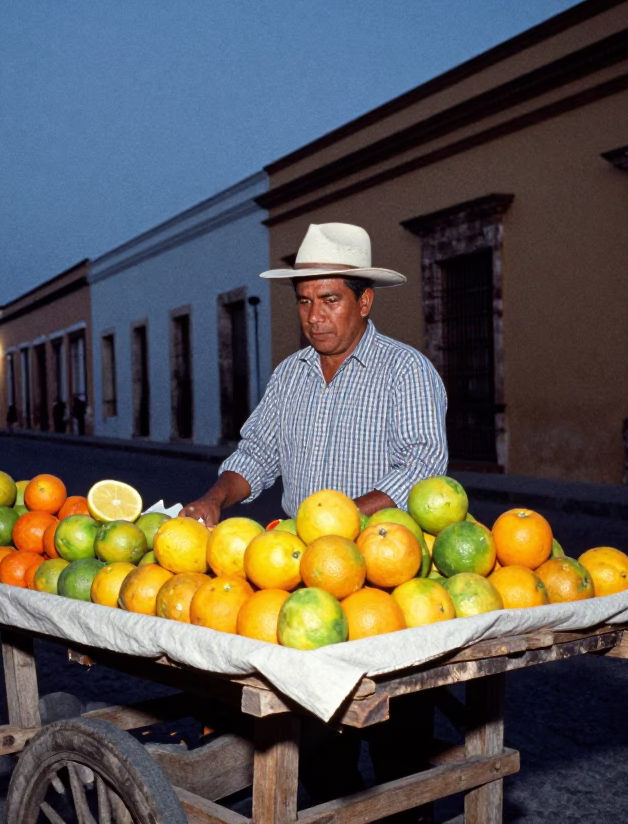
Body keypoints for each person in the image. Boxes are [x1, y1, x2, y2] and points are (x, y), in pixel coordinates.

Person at [181, 222, 448, 804]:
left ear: (364, 300)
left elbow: (424, 466)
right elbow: (256, 454)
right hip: (307, 587)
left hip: (388, 587)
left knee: (401, 758)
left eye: (330, 300)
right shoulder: (289, 378)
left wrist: (343, 517)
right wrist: (215, 497)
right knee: (323, 763)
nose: (315, 316)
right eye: (304, 301)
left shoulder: (405, 373)